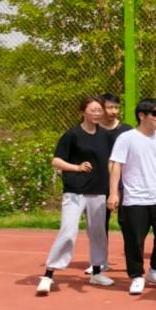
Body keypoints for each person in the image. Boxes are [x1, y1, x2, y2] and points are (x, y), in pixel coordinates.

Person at [36, 97, 114, 295]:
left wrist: (114, 191)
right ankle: (48, 275)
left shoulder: (105, 136)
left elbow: (112, 163)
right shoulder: (72, 135)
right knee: (68, 231)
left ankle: (97, 272)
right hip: (75, 191)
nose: (97, 113)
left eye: (100, 110)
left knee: (98, 233)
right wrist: (77, 167)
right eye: (93, 110)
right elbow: (56, 161)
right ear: (83, 112)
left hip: (98, 191)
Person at [107, 98, 156, 296]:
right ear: (141, 115)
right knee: (134, 240)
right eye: (154, 113)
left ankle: (155, 270)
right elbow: (116, 165)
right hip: (134, 199)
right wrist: (113, 193)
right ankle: (137, 275)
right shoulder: (126, 138)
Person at [85, 92, 134, 276]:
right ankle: (99, 261)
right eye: (109, 107)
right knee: (98, 224)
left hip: (125, 183)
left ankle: (132, 261)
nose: (113, 111)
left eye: (116, 107)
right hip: (98, 183)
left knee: (128, 223)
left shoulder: (127, 130)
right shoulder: (92, 130)